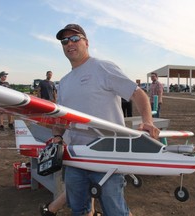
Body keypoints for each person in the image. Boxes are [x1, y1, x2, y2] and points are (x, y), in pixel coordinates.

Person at [42, 24, 159, 216]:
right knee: (79, 210)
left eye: (74, 38)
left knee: (115, 211)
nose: (69, 43)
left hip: (108, 154)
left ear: (86, 43)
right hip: (76, 156)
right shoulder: (63, 82)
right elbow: (61, 119)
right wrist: (56, 137)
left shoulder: (102, 67)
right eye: (64, 41)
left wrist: (148, 122)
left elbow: (138, 94)